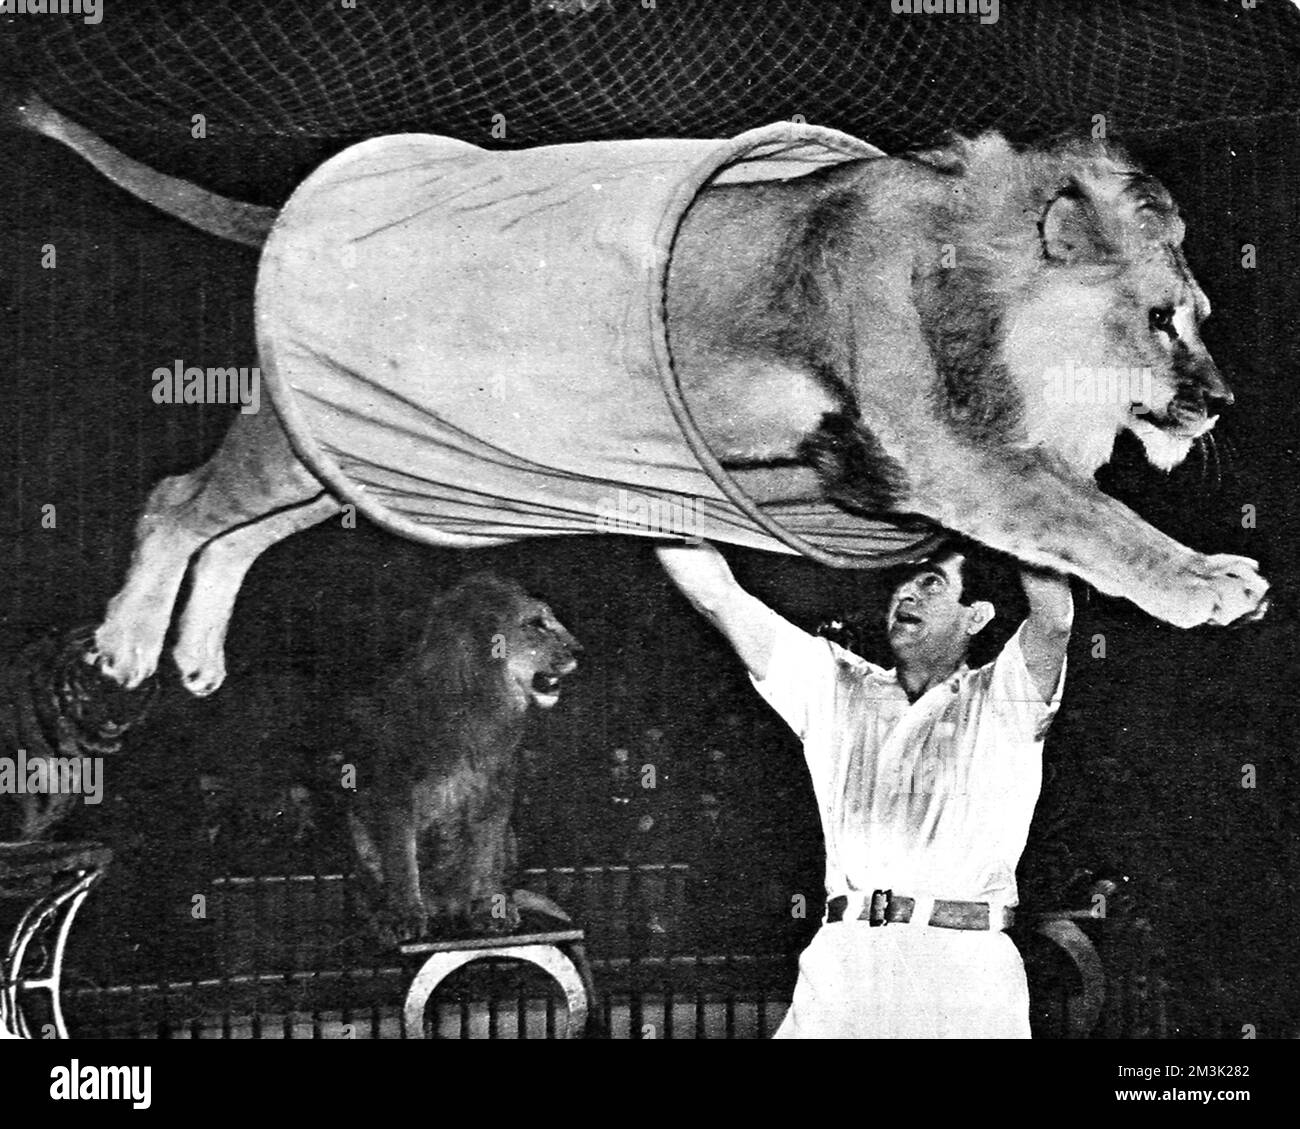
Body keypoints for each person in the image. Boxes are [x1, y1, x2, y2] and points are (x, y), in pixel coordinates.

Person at [655, 538, 1073, 1038]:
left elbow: (1054, 620)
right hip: (844, 961)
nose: (907, 594)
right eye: (906, 581)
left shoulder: (1005, 697)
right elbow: (718, 596)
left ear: (976, 616)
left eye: (931, 584)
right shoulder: (835, 684)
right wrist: (662, 492)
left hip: (963, 970)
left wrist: (1018, 516)